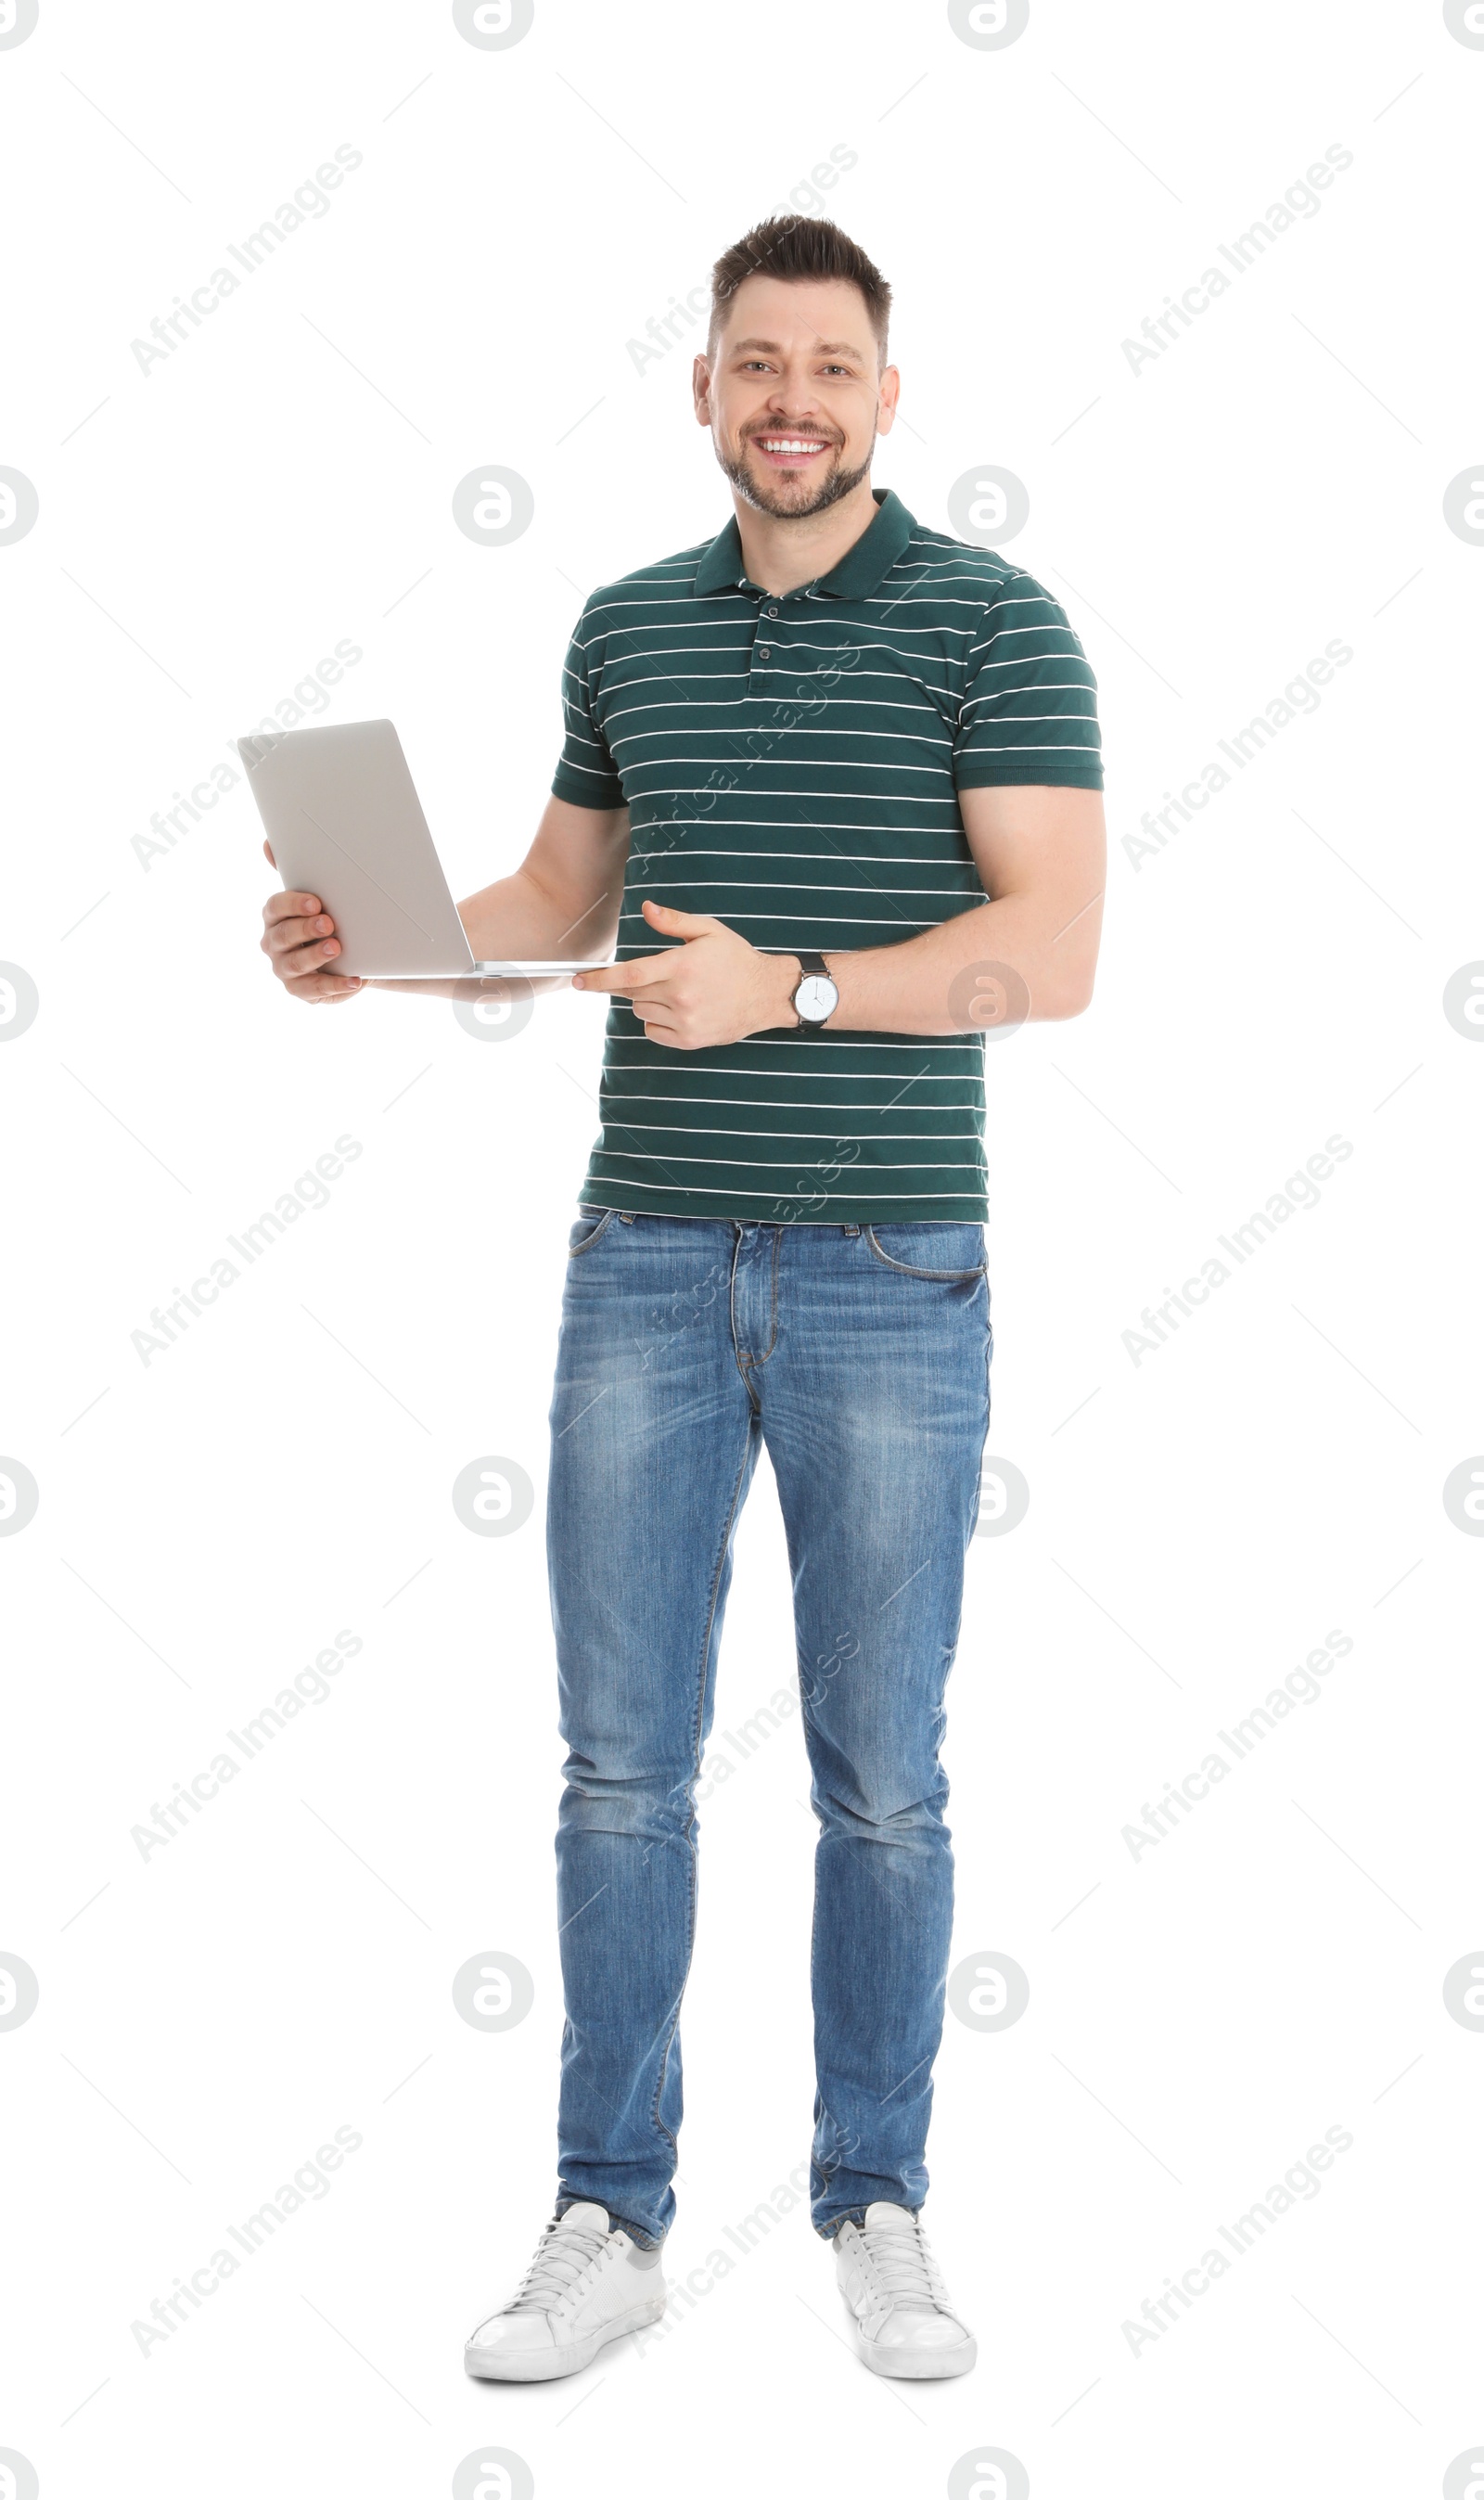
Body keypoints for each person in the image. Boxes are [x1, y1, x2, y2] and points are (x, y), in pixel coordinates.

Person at [260, 214, 1106, 2382]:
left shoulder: (993, 627)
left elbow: (1055, 950)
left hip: (886, 1273)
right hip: (639, 1259)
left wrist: (797, 987)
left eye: (829, 366)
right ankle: (606, 2215)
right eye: (755, 365)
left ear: (887, 397)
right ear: (703, 388)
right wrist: (382, 937)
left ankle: (875, 2200)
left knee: (880, 1780)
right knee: (617, 1767)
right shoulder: (626, 624)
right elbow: (555, 889)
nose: (791, 402)